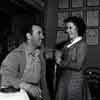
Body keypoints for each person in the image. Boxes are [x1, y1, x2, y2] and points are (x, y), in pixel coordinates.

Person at [0, 25, 50, 100]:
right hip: (21, 94)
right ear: (29, 36)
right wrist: (28, 87)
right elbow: (5, 76)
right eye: (39, 33)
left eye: (42, 34)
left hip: (38, 93)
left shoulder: (40, 53)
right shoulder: (16, 54)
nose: (42, 37)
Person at [55, 16, 91, 100]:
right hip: (64, 80)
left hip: (75, 83)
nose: (67, 31)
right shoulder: (67, 44)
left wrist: (60, 62)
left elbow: (78, 65)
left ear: (77, 29)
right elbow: (60, 53)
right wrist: (57, 53)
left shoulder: (82, 44)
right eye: (67, 28)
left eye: (70, 28)